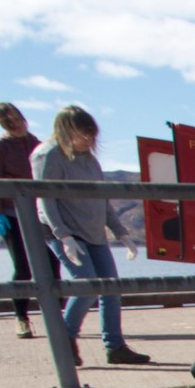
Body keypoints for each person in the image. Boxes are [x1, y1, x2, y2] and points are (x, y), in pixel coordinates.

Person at [31, 105, 148, 365]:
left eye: (92, 136)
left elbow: (101, 198)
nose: (90, 141)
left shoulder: (89, 159)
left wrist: (120, 232)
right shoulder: (48, 155)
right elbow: (45, 198)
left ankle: (115, 346)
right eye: (84, 136)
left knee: (111, 288)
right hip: (66, 231)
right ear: (68, 131)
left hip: (93, 231)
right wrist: (63, 235)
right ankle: (65, 338)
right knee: (86, 285)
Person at [0, 102, 54, 338]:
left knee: (52, 263)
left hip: (40, 212)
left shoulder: (37, 144)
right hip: (11, 214)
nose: (16, 124)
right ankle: (21, 317)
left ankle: (55, 315)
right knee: (23, 267)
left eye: (18, 119)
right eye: (9, 121)